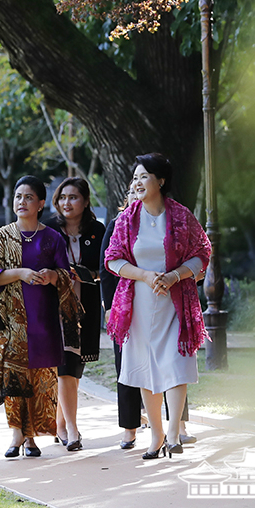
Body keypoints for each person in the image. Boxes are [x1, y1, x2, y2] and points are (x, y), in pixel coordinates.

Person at [104, 153, 210, 460]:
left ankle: (174, 432)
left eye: (144, 177)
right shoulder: (126, 219)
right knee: (144, 368)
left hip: (175, 301)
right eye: (135, 178)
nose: (137, 183)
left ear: (160, 181)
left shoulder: (180, 216)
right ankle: (156, 435)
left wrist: (175, 276)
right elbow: (113, 259)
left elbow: (202, 252)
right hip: (138, 300)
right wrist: (145, 275)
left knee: (176, 364)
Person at [0, 176, 84, 458]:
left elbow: (66, 276)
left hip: (44, 320)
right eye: (17, 197)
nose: (21, 202)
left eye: (28, 197)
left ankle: (32, 437)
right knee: (14, 378)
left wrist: (52, 276)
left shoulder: (52, 238)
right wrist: (19, 273)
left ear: (39, 204)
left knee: (40, 379)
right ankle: (17, 435)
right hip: (10, 323)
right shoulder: (1, 237)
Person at [48, 177, 104, 452]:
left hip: (87, 308)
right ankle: (72, 429)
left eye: (73, 197)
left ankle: (59, 425)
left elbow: (105, 268)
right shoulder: (47, 229)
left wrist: (84, 273)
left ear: (84, 201)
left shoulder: (97, 230)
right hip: (56, 309)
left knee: (74, 370)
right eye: (62, 198)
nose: (66, 203)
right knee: (65, 368)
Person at [100, 183, 143, 450]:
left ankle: (177, 426)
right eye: (131, 191)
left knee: (169, 363)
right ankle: (130, 428)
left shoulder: (166, 222)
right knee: (126, 367)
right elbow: (106, 269)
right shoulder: (117, 224)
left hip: (160, 303)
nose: (136, 195)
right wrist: (108, 307)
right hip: (124, 307)